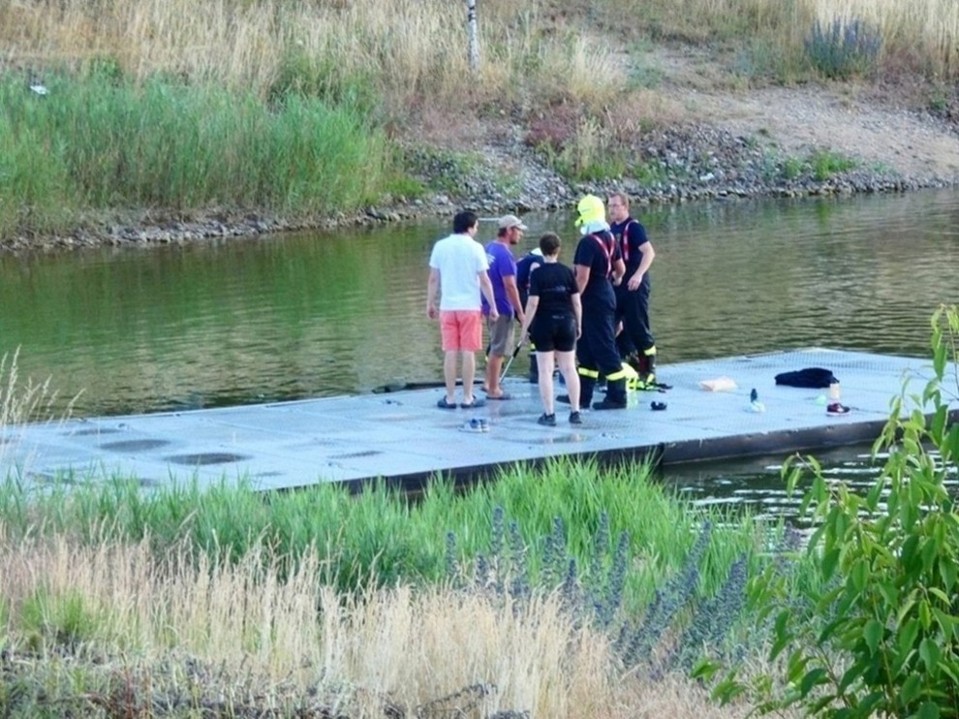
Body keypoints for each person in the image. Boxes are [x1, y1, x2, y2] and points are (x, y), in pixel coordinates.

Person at [427, 210, 499, 409]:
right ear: (470, 227)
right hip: (470, 307)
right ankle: (468, 397)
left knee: (450, 352)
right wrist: (492, 306)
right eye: (476, 227)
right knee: (468, 352)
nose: (476, 230)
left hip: (448, 307)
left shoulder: (440, 246)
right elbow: (484, 280)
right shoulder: (476, 248)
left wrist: (430, 303)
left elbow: (433, 278)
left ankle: (450, 397)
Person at [567, 194, 628, 410]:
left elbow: (582, 277)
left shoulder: (587, 243)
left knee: (603, 346)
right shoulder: (610, 237)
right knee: (585, 348)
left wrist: (572, 301)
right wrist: (613, 280)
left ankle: (618, 395)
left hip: (592, 300)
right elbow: (621, 269)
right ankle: (582, 395)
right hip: (605, 293)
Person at [519, 233, 582, 426]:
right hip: (566, 322)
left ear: (541, 250)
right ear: (558, 250)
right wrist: (579, 324)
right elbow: (576, 302)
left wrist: (524, 329)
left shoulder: (537, 274)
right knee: (569, 368)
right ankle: (575, 412)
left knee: (545, 371)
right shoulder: (567, 272)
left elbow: (532, 304)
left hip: (544, 324)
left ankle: (549, 414)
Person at [609, 191, 657, 388]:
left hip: (635, 285)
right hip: (617, 285)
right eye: (609, 206)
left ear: (625, 207)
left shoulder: (634, 228)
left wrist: (638, 274)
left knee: (638, 326)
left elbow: (649, 252)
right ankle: (618, 364)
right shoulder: (611, 229)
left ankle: (648, 369)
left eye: (615, 206)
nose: (611, 210)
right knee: (610, 325)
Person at [482, 214, 527, 399]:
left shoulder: (489, 248)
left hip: (488, 304)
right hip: (501, 307)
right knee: (499, 349)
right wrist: (520, 312)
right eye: (519, 230)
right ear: (509, 231)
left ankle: (488, 382)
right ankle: (494, 389)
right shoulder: (504, 255)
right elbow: (510, 285)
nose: (521, 234)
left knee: (494, 344)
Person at [515, 245, 544, 383]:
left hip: (511, 297)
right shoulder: (538, 261)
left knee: (533, 333)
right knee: (536, 331)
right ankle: (536, 373)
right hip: (520, 296)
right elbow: (534, 279)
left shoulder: (524, 259)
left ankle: (535, 371)